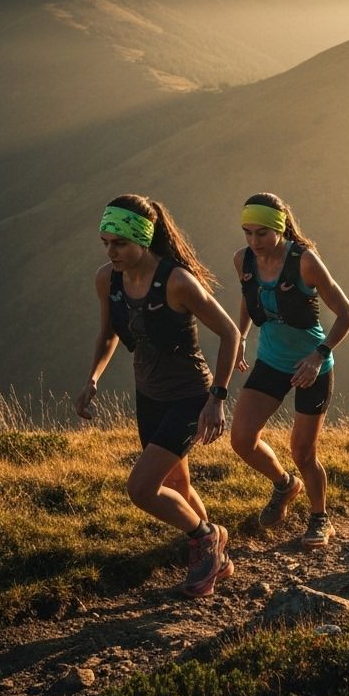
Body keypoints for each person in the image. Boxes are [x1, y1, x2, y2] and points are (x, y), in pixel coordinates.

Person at [75, 195, 241, 598]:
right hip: (148, 395)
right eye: (105, 242)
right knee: (177, 486)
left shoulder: (177, 281)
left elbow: (230, 333)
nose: (111, 252)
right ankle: (215, 553)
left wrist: (217, 398)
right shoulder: (108, 279)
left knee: (142, 488)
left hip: (189, 397)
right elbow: (109, 333)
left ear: (143, 241)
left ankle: (205, 537)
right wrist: (93, 378)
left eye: (120, 243)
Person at [230, 193, 349, 548]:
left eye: (262, 234)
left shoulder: (305, 262)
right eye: (248, 233)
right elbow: (247, 295)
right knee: (242, 439)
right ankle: (285, 484)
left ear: (280, 228)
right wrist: (240, 335)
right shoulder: (244, 260)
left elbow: (347, 314)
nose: (254, 242)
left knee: (303, 451)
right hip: (270, 360)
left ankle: (320, 518)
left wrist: (319, 356)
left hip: (311, 367)